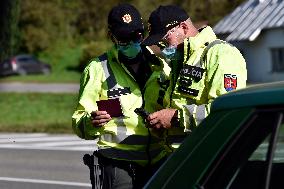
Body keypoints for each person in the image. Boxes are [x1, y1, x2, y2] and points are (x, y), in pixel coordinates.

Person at [72, 3, 170, 189]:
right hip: (118, 163)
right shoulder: (96, 69)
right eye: (124, 39)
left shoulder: (160, 66)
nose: (132, 43)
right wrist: (91, 122)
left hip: (158, 160)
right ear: (112, 37)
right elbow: (79, 123)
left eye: (137, 36)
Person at [142, 5, 247, 149]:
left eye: (165, 40)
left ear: (184, 27)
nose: (162, 47)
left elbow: (227, 112)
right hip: (180, 156)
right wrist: (160, 123)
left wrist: (176, 118)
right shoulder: (179, 60)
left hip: (207, 156)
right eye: (159, 44)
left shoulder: (221, 54)